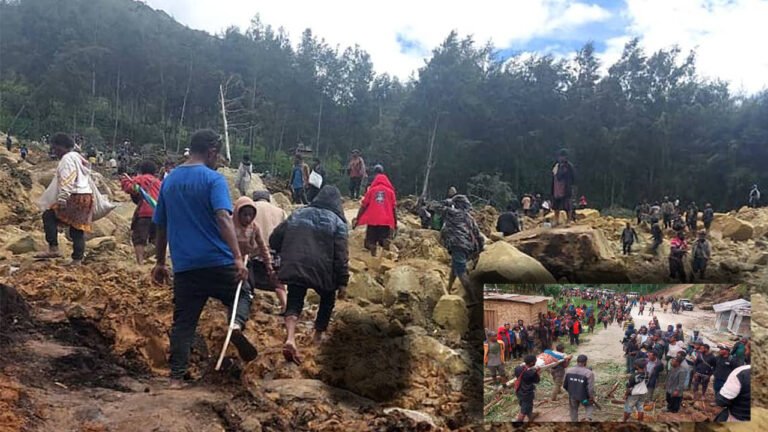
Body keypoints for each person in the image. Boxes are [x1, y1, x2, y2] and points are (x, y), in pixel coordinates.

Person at [151, 129, 258, 388]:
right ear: (211, 152)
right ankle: (235, 324)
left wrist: (160, 262)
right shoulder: (213, 180)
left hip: (186, 266)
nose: (218, 159)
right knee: (243, 292)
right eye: (218, 155)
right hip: (218, 261)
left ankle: (176, 377)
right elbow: (223, 217)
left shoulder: (170, 180)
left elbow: (161, 226)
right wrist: (237, 258)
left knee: (184, 322)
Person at [269, 186, 349, 365]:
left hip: (296, 264)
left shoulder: (298, 214)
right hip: (323, 270)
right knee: (327, 300)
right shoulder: (338, 223)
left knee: (295, 299)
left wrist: (282, 254)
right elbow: (341, 255)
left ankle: (290, 337)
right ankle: (318, 335)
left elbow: (275, 237)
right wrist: (343, 281)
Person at [34, 133, 94, 265]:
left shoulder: (67, 159)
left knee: (48, 216)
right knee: (77, 229)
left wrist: (62, 198)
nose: (54, 151)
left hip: (74, 196)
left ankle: (53, 248)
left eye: (56, 148)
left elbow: (68, 178)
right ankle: (77, 260)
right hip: (86, 196)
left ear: (64, 147)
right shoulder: (79, 158)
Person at [438, 195, 483, 306]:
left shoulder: (450, 213)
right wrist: (480, 248)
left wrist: (448, 202)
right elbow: (477, 234)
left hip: (457, 245)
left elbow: (437, 206)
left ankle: (473, 299)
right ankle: (448, 290)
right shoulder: (468, 217)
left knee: (461, 272)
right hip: (467, 246)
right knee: (455, 268)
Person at [120, 160, 162, 265]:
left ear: (141, 170)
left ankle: (140, 262)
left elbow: (130, 188)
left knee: (139, 238)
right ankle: (156, 261)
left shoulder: (140, 179)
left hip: (144, 212)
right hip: (158, 213)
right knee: (156, 238)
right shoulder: (159, 182)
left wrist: (124, 180)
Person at [354, 165, 397, 257]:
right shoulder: (390, 192)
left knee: (369, 242)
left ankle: (372, 249)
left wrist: (358, 218)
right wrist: (395, 224)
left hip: (372, 219)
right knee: (383, 239)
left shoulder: (371, 190)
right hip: (385, 221)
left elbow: (363, 206)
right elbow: (394, 209)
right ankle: (385, 256)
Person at [563, 354, 596, 422]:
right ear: (585, 362)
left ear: (577, 361)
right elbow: (590, 388)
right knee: (589, 405)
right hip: (583, 398)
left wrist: (571, 392)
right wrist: (591, 397)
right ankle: (588, 418)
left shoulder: (569, 371)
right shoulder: (589, 373)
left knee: (573, 409)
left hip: (573, 396)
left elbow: (565, 385)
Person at [551, 149, 576, 227]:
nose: (561, 158)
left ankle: (569, 220)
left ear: (566, 157)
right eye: (560, 157)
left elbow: (573, 177)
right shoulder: (556, 166)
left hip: (565, 188)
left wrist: (572, 186)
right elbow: (554, 177)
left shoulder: (569, 166)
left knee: (567, 205)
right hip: (556, 188)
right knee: (556, 206)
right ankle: (556, 220)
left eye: (563, 157)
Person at [514, 354, 541, 423]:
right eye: (535, 361)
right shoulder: (531, 374)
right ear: (532, 363)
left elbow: (521, 370)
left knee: (528, 405)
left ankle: (531, 416)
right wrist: (537, 372)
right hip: (527, 394)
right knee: (523, 410)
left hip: (519, 391)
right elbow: (537, 381)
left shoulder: (517, 368)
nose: (535, 362)